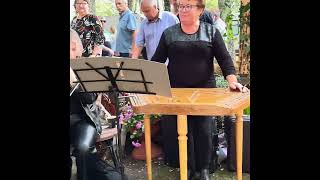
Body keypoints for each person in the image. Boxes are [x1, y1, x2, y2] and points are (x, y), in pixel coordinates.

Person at [150, 0, 249, 179]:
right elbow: (157, 62)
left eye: (188, 6)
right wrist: (148, 83)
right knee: (181, 131)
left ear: (200, 10)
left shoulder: (211, 31)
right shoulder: (168, 33)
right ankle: (186, 168)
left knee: (203, 130)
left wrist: (232, 81)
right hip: (176, 93)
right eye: (180, 6)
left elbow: (225, 60)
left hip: (205, 92)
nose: (183, 10)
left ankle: (203, 169)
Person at [70, 29, 106, 180]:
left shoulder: (86, 66)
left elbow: (90, 99)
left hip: (83, 119)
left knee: (84, 148)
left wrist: (74, 83)